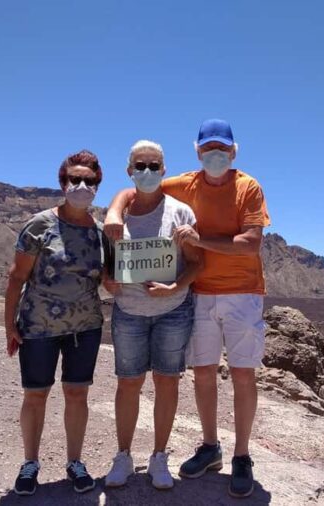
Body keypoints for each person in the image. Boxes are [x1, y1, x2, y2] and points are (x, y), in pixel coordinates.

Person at [104, 120, 270, 498]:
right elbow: (134, 191)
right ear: (197, 152)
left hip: (243, 291)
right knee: (203, 374)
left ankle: (242, 456)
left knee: (243, 375)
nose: (216, 155)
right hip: (201, 295)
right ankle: (210, 446)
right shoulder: (182, 184)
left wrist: (199, 241)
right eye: (209, 148)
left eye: (223, 149)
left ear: (234, 152)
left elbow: (250, 244)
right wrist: (114, 210)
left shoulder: (248, 187)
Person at [100, 140, 204, 490]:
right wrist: (106, 280)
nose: (147, 172)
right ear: (130, 171)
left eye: (154, 166)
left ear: (164, 170)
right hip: (129, 311)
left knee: (167, 381)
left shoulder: (181, 213)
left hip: (172, 313)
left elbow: (196, 263)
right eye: (140, 166)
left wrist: (175, 289)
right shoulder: (117, 216)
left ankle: (159, 456)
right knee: (128, 383)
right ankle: (124, 455)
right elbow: (106, 263)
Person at [4, 149, 106, 496]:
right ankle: (30, 463)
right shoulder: (39, 224)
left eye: (88, 181)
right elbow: (17, 276)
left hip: (86, 327)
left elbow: (109, 280)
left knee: (77, 394)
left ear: (97, 185)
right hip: (38, 326)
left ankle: (75, 462)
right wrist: (9, 324)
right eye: (74, 179)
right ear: (62, 183)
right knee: (36, 395)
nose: (81, 185)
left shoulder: (101, 231)